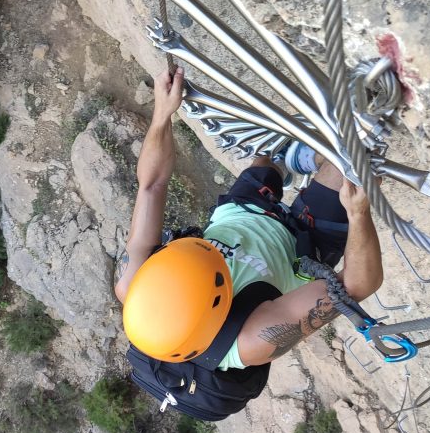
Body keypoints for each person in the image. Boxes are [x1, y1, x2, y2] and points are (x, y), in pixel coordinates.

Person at [115, 67, 384, 371]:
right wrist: (358, 213)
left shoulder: (133, 283)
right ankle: (342, 142)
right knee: (351, 157)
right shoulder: (254, 340)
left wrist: (162, 114)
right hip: (302, 248)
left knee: (265, 163)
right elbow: (357, 285)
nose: (220, 253)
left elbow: (152, 185)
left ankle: (293, 160)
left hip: (241, 215)